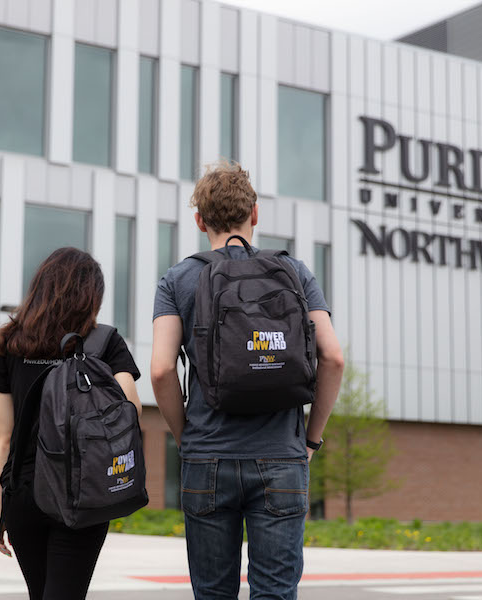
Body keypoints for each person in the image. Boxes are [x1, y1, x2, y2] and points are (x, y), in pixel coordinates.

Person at [151, 162, 345, 599]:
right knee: (275, 593)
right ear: (255, 214)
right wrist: (310, 442)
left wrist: (187, 439)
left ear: (199, 220)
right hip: (281, 457)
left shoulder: (177, 279)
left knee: (213, 593)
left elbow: (162, 370)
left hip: (207, 459)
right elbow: (332, 358)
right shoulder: (295, 273)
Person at [0, 247, 142, 600]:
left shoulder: (10, 342)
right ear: (91, 296)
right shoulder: (104, 341)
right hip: (81, 493)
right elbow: (130, 412)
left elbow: (4, 436)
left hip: (24, 494)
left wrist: (0, 511)